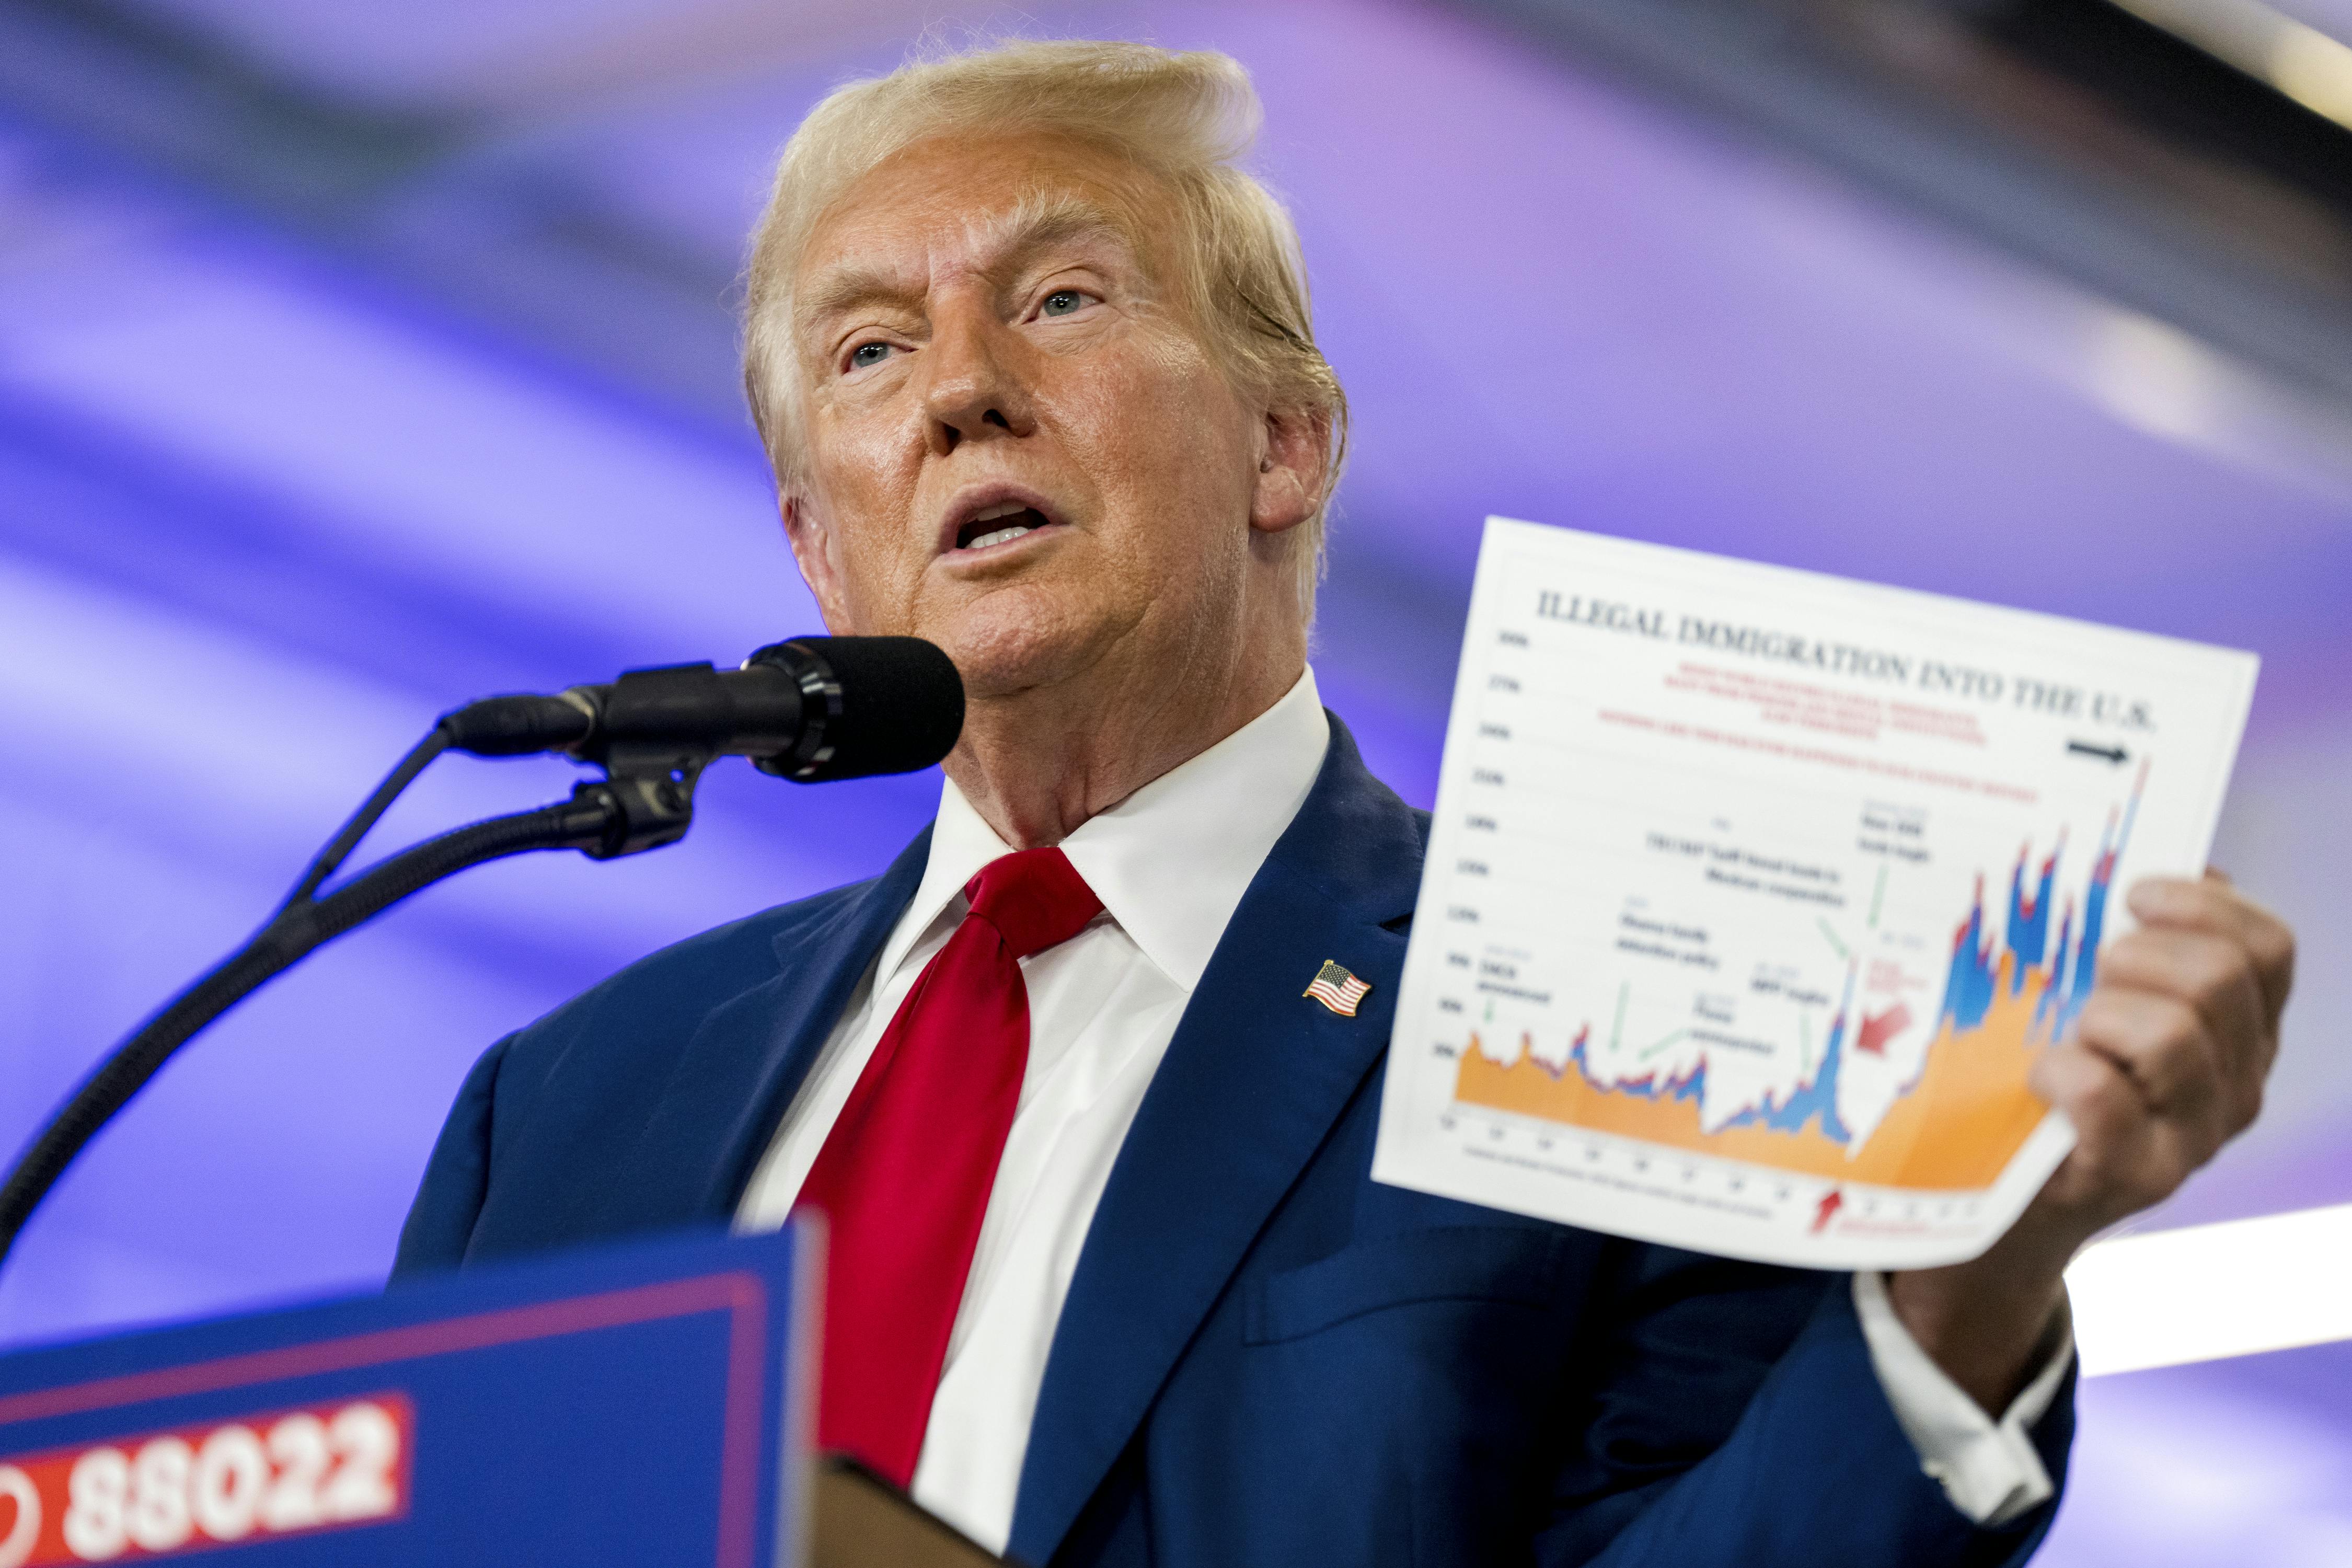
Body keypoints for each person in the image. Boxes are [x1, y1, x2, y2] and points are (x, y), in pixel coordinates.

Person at [393, 40, 2296, 1568]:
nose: (960, 390)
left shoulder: (1609, 988)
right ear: (819, 545)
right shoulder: (558, 1113)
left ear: (1284, 442)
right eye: (869, 348)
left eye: (1058, 298)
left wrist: (1957, 1300)